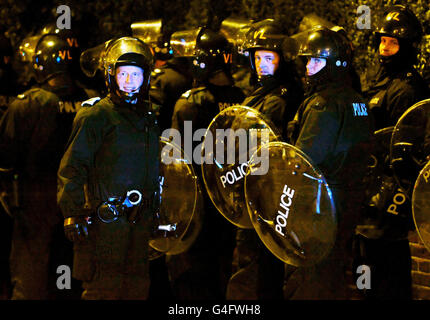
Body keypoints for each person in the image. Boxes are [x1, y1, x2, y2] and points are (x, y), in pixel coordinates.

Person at [57, 37, 160, 300]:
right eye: (123, 73)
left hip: (139, 223)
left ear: (145, 77)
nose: (128, 80)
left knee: (137, 288)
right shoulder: (95, 116)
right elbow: (73, 166)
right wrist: (74, 213)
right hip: (105, 224)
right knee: (103, 290)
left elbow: (155, 168)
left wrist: (160, 210)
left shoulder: (150, 117)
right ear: (111, 75)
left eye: (135, 74)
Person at [0, 32, 96, 300]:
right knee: (72, 276)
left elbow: (5, 157)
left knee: (31, 276)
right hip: (81, 202)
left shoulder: (27, 104)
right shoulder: (92, 102)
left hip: (36, 205)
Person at [284, 27, 374, 299]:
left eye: (317, 61)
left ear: (334, 63)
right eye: (308, 60)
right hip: (348, 201)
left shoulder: (323, 104)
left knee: (310, 279)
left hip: (319, 206)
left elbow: (305, 158)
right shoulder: (358, 100)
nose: (309, 67)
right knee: (334, 273)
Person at [356, 5, 430, 300]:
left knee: (384, 278)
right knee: (366, 273)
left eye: (392, 42)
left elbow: (403, 149)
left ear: (407, 46)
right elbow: (362, 117)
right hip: (370, 197)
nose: (383, 48)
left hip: (387, 203)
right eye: (382, 40)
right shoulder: (382, 81)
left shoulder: (406, 89)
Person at [226, 19, 304, 300]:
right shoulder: (260, 92)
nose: (261, 64)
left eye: (268, 58)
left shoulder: (279, 97)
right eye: (257, 57)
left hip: (266, 190)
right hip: (252, 187)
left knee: (258, 264)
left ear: (282, 60)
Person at [167, 27, 245, 300]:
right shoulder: (243, 99)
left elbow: (177, 160)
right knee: (222, 268)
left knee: (192, 273)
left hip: (198, 200)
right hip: (230, 197)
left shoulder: (190, 103)